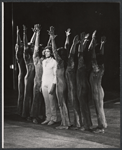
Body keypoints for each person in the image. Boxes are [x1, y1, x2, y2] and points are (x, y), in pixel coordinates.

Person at [48, 26, 71, 129]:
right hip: (65, 82)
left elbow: (54, 50)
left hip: (60, 83)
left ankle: (65, 124)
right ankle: (67, 121)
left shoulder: (60, 61)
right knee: (64, 102)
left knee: (61, 103)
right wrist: (67, 37)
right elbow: (67, 46)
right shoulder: (66, 59)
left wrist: (52, 38)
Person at [89, 31, 107, 133]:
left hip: (97, 91)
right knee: (100, 108)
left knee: (99, 109)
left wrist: (93, 39)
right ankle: (103, 124)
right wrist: (102, 44)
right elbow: (101, 55)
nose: (93, 63)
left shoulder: (97, 69)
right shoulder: (101, 67)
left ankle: (101, 128)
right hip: (99, 89)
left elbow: (94, 56)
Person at [76, 32, 93, 131]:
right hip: (84, 85)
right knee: (85, 106)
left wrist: (82, 42)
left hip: (82, 86)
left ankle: (86, 125)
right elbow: (84, 53)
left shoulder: (82, 66)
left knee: (83, 106)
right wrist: (86, 41)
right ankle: (88, 124)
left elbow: (80, 54)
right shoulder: (86, 65)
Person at [30, 24, 45, 124]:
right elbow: (35, 47)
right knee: (36, 99)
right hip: (38, 81)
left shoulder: (46, 60)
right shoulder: (36, 59)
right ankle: (34, 116)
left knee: (43, 100)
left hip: (45, 81)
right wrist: (37, 34)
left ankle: (42, 115)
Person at [65, 34, 81, 129]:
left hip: (73, 88)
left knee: (75, 105)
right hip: (72, 86)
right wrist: (67, 37)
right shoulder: (70, 63)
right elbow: (68, 48)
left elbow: (71, 54)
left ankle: (78, 123)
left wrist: (74, 44)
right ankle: (77, 123)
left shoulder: (71, 64)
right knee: (74, 105)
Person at [41, 36, 58, 125]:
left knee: (52, 102)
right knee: (46, 102)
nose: (46, 52)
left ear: (51, 52)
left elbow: (55, 75)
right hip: (44, 83)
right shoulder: (43, 62)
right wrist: (41, 84)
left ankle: (54, 118)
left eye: (48, 51)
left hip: (51, 83)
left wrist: (53, 86)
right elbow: (43, 73)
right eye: (45, 51)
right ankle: (48, 117)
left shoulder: (54, 62)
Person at [22, 25, 35, 121]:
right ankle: (27, 114)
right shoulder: (27, 56)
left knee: (34, 96)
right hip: (29, 77)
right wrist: (24, 33)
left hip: (34, 77)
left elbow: (32, 43)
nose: (33, 47)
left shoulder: (34, 57)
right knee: (28, 96)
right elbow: (27, 45)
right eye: (32, 47)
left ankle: (34, 114)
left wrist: (35, 33)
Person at [15, 26, 26, 116]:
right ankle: (20, 111)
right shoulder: (19, 57)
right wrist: (19, 33)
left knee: (26, 94)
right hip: (22, 75)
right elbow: (19, 45)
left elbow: (27, 44)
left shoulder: (27, 56)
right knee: (22, 93)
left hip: (27, 75)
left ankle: (25, 111)